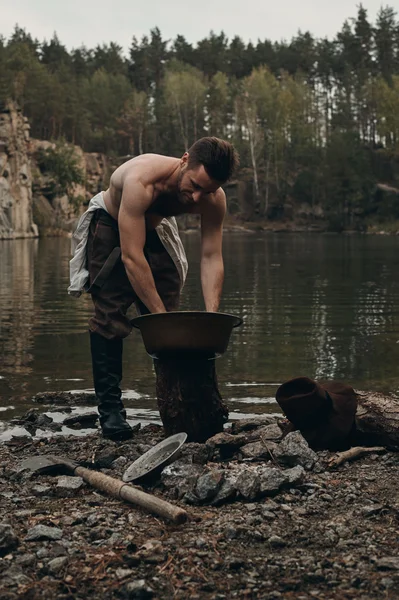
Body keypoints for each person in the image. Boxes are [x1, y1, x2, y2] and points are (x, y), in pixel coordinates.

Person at [68, 137, 239, 440]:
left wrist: (212, 316)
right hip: (110, 223)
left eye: (208, 191)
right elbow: (131, 256)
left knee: (172, 318)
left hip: (155, 227)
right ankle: (111, 412)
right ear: (184, 160)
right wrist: (158, 319)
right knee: (111, 316)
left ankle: (180, 407)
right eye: (195, 186)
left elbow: (212, 256)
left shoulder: (214, 198)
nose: (198, 198)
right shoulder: (141, 180)